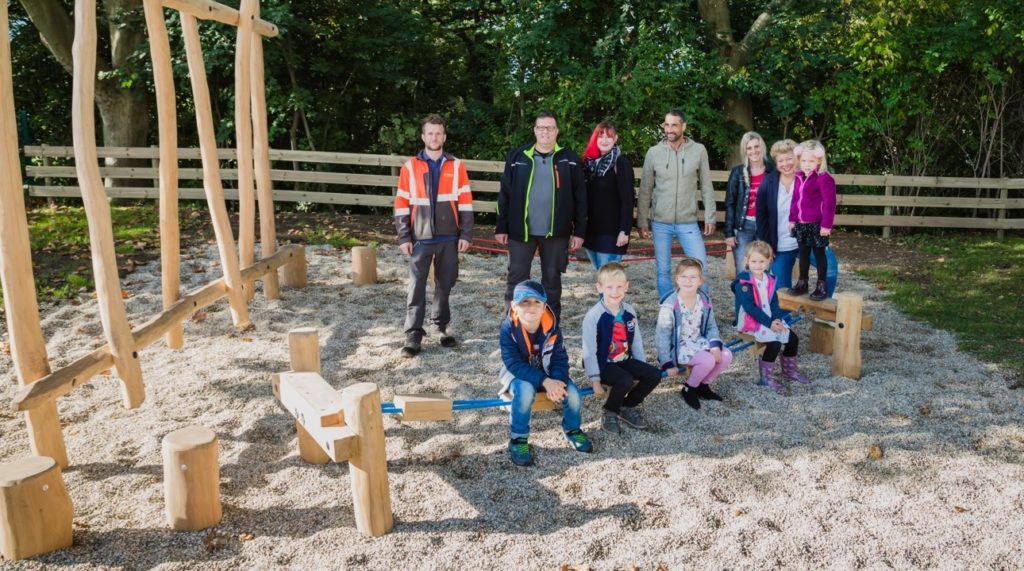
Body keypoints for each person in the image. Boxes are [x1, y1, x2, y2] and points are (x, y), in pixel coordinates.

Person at [394, 114, 474, 357]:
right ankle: (414, 334)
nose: (434, 137)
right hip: (420, 237)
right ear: (423, 136)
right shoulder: (410, 166)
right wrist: (404, 236)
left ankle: (441, 327)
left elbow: (466, 202)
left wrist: (466, 234)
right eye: (430, 133)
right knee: (416, 285)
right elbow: (401, 203)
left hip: (449, 237)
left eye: (438, 133)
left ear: (444, 137)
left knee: (444, 284)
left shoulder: (457, 166)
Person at [496, 112, 587, 319]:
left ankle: (551, 322)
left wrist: (579, 231)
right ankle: (512, 321)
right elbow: (505, 194)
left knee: (552, 280)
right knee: (516, 278)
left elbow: (581, 198)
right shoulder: (518, 156)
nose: (545, 131)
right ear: (534, 130)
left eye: (550, 128)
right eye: (541, 127)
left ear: (557, 131)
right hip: (521, 231)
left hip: (556, 232)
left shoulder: (569, 159)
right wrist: (501, 227)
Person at [498, 280, 593, 466]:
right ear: (514, 306)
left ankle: (572, 429)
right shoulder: (508, 328)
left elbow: (559, 358)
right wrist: (545, 381)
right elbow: (513, 363)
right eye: (524, 302)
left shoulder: (552, 327)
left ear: (544, 307)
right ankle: (518, 439)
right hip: (518, 373)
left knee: (573, 394)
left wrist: (557, 381)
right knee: (525, 392)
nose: (531, 307)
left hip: (547, 370)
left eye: (536, 302)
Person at [637, 110, 716, 300]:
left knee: (700, 266)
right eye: (666, 125)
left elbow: (706, 185)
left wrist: (710, 216)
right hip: (660, 222)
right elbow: (645, 188)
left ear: (683, 127)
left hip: (688, 222)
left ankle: (702, 312)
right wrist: (642, 221)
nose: (669, 129)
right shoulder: (654, 152)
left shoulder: (698, 150)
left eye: (674, 125)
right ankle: (668, 309)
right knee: (663, 270)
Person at [581, 263, 662, 434]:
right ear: (599, 288)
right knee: (624, 379)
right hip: (603, 363)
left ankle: (627, 406)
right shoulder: (594, 316)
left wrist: (642, 366)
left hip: (624, 359)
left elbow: (637, 341)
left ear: (627, 286)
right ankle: (610, 410)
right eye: (609, 287)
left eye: (619, 286)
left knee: (654, 374)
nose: (615, 291)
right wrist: (595, 380)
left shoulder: (629, 311)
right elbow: (588, 350)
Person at [756, 140, 839, 297]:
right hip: (782, 245)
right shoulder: (769, 182)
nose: (785, 163)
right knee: (782, 290)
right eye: (780, 160)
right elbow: (761, 216)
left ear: (797, 158)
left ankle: (824, 304)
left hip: (812, 233)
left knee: (831, 267)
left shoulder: (811, 178)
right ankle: (783, 319)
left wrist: (825, 226)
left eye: (789, 159)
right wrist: (766, 245)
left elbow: (829, 204)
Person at [732, 241, 811, 393]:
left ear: (769, 261)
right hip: (752, 321)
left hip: (769, 319)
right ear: (747, 261)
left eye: (762, 261)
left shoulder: (769, 278)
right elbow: (750, 308)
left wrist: (776, 319)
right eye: (754, 261)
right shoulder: (744, 281)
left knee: (792, 339)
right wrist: (769, 323)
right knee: (774, 343)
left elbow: (774, 301)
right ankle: (765, 378)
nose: (758, 265)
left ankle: (789, 372)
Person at [656, 258, 732, 410]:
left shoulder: (704, 299)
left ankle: (703, 385)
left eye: (693, 277)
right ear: (677, 279)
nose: (688, 281)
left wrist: (715, 345)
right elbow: (662, 335)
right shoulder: (670, 304)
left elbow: (711, 325)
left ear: (700, 280)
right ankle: (689, 388)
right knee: (708, 360)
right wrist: (666, 362)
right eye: (684, 276)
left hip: (698, 341)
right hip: (679, 347)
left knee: (726, 355)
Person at [581, 121, 634, 270]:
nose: (604, 140)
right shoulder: (588, 164)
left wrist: (624, 231)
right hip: (591, 231)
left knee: (609, 278)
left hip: (612, 233)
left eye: (609, 137)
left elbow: (628, 200)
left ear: (615, 139)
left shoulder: (620, 163)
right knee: (600, 277)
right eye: (600, 136)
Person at [788, 139, 836, 301]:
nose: (807, 164)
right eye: (804, 161)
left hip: (817, 225)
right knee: (803, 254)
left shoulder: (824, 178)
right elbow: (795, 199)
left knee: (819, 254)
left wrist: (826, 225)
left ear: (819, 160)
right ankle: (803, 282)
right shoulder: (799, 176)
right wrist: (792, 219)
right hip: (801, 224)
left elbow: (830, 204)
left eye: (811, 161)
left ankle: (821, 285)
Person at [724, 131, 774, 272]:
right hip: (743, 226)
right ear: (745, 151)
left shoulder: (772, 171)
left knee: (765, 268)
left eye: (756, 146)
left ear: (762, 147)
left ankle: (763, 294)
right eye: (749, 148)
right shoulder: (738, 172)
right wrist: (729, 233)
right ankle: (744, 294)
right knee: (743, 268)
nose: (753, 151)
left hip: (765, 225)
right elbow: (730, 203)